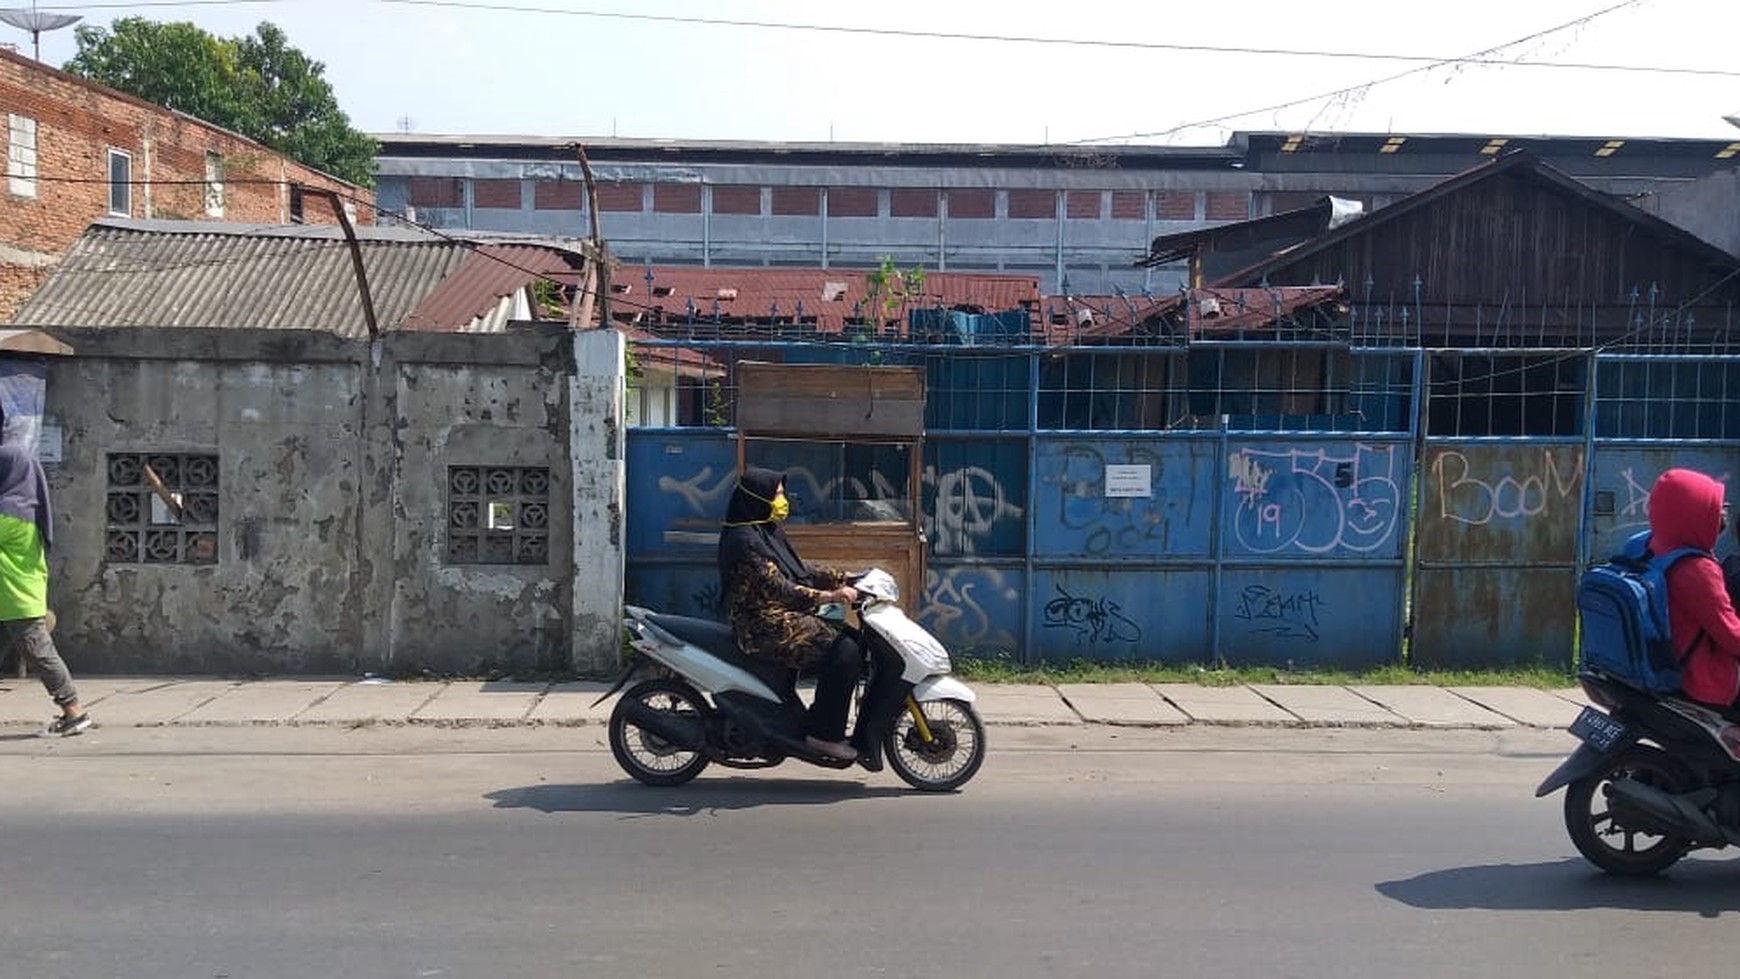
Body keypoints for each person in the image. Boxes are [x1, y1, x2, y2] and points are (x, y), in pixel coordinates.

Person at [717, 467, 864, 761]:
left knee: (852, 642)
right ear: (759, 498)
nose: (782, 500)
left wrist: (845, 577)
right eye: (778, 494)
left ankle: (812, 721)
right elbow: (780, 588)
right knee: (845, 652)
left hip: (780, 616)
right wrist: (831, 596)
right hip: (762, 625)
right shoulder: (746, 541)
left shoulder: (764, 530)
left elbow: (798, 568)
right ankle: (824, 735)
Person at [0, 443, 90, 736]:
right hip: (13, 598)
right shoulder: (27, 510)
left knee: (39, 653)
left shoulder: (10, 513)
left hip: (15, 600)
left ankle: (73, 711)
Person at [1649, 468, 1740, 708]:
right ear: (1694, 512)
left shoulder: (1650, 548)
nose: (1722, 514)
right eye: (1715, 507)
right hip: (1702, 677)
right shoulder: (1696, 569)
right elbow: (1732, 636)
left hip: (1668, 662)